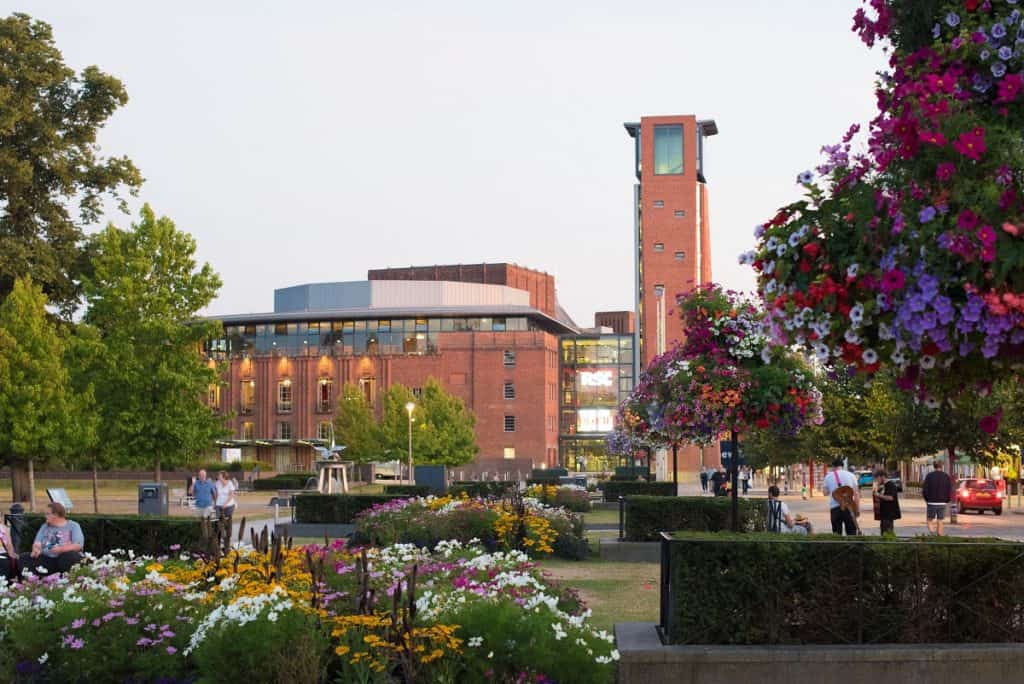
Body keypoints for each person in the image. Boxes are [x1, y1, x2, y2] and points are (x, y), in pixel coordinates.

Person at [19, 502, 83, 576]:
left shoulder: (73, 526)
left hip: (64, 558)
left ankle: (67, 582)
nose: (45, 516)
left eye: (47, 514)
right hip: (47, 559)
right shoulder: (45, 527)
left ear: (56, 515)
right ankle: (31, 584)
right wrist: (35, 549)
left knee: (70, 556)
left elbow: (78, 545)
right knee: (24, 557)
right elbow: (37, 543)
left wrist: (60, 549)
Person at [822, 458, 859, 536]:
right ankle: (852, 547)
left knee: (837, 534)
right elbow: (856, 494)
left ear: (833, 466)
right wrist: (857, 509)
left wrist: (832, 488)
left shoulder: (828, 476)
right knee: (851, 533)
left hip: (835, 508)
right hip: (849, 507)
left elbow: (825, 493)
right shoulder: (851, 475)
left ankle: (838, 548)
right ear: (842, 466)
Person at [922, 460, 954, 536]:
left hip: (931, 502)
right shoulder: (946, 476)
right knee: (940, 520)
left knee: (929, 520)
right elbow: (949, 489)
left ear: (934, 466)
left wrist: (927, 499)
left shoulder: (929, 476)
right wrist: (946, 500)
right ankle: (940, 535)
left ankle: (932, 534)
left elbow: (925, 490)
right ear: (941, 466)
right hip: (942, 502)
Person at [872, 469, 901, 535]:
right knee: (883, 532)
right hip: (884, 514)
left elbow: (890, 498)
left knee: (887, 533)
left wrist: (878, 495)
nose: (876, 480)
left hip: (889, 514)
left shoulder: (890, 485)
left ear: (882, 476)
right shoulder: (883, 486)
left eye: (877, 478)